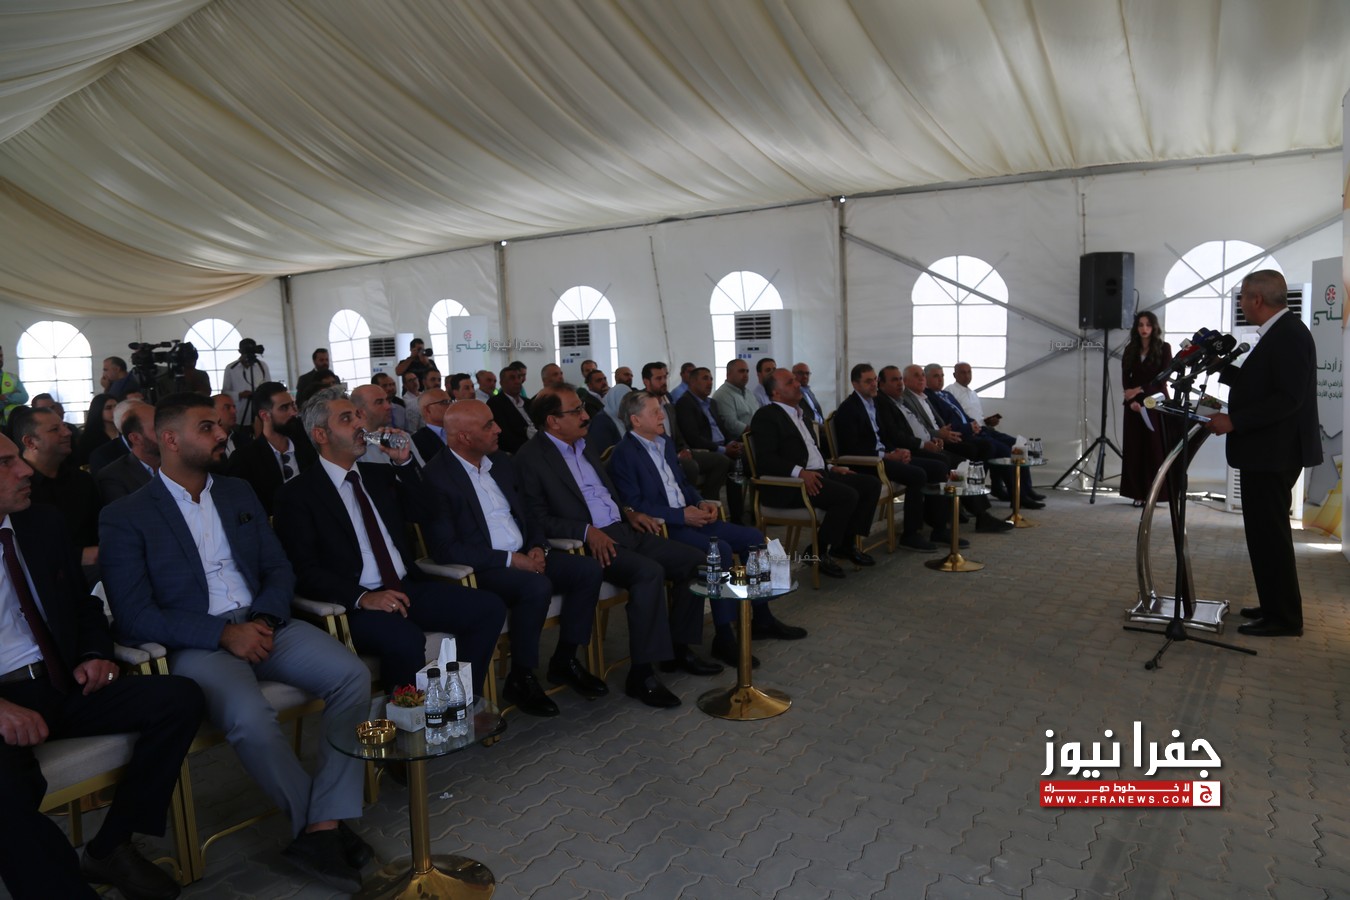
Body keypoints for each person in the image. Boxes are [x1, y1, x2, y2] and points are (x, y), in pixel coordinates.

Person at [99, 393, 374, 893]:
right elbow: (135, 615)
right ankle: (317, 826)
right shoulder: (127, 514)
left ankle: (323, 822)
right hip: (198, 642)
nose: (223, 432)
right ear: (170, 439)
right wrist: (223, 634)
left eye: (219, 425)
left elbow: (277, 567)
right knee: (250, 717)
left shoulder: (237, 491)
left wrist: (264, 618)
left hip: (264, 622)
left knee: (352, 676)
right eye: (207, 427)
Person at [0, 431, 203, 900]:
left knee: (180, 698)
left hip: (59, 681)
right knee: (7, 800)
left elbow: (83, 605)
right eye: (6, 463)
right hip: (4, 702)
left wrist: (95, 654)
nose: (25, 470)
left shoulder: (40, 523)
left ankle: (111, 845)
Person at [274, 388, 506, 694]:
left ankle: (459, 700)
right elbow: (304, 571)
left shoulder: (378, 475)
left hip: (405, 586)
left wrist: (404, 463)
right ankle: (406, 719)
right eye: (347, 419)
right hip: (356, 604)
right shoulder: (298, 494)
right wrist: (361, 597)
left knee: (489, 608)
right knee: (405, 639)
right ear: (320, 434)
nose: (360, 424)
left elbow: (427, 511)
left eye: (358, 416)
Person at [514, 384, 714, 708]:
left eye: (583, 407)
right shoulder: (531, 458)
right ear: (553, 421)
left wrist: (630, 512)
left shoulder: (585, 444)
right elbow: (536, 518)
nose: (585, 415)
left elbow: (606, 493)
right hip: (589, 543)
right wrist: (585, 531)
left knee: (696, 561)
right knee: (649, 573)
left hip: (622, 528)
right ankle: (642, 675)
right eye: (576, 411)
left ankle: (678, 648)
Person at [420, 400, 605, 716]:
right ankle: (522, 676)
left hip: (525, 554)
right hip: (484, 567)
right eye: (488, 425)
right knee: (535, 587)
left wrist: (536, 546)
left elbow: (528, 513)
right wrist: (510, 560)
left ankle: (565, 659)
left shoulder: (501, 462)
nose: (498, 429)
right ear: (464, 437)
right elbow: (446, 549)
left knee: (587, 570)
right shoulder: (437, 477)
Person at [609, 390, 805, 668]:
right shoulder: (624, 454)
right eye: (655, 412)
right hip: (666, 528)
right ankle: (724, 637)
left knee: (755, 538)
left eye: (660, 410)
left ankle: (762, 617)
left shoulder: (664, 443)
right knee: (719, 551)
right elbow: (634, 505)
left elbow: (682, 484)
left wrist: (701, 502)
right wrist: (681, 516)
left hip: (691, 516)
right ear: (635, 420)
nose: (662, 415)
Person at [1205, 270, 1321, 638]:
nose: (1240, 303)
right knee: (1262, 534)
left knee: (1271, 535)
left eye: (1242, 296)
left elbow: (1288, 398)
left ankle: (1284, 618)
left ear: (1257, 299)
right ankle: (1273, 604)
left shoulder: (1289, 335)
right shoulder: (1277, 332)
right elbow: (1264, 383)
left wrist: (1235, 421)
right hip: (1266, 451)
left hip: (1275, 453)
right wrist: (1224, 372)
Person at [749, 369, 881, 578]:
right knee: (847, 496)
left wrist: (830, 467)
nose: (797, 384)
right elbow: (766, 460)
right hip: (790, 484)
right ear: (775, 393)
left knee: (870, 484)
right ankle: (818, 551)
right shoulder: (767, 416)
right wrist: (800, 473)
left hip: (817, 475)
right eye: (790, 382)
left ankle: (844, 545)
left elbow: (811, 452)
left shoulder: (800, 413)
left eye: (795, 380)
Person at [833, 364, 945, 552]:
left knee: (938, 467)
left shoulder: (874, 403)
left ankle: (939, 527)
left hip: (884, 456)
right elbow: (851, 449)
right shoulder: (848, 409)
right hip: (866, 463)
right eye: (868, 381)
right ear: (855, 384)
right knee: (917, 475)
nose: (873, 384)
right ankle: (910, 534)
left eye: (874, 380)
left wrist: (899, 451)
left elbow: (885, 437)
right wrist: (888, 455)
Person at [226, 382, 316, 515]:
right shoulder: (244, 459)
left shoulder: (309, 449)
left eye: (292, 405)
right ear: (264, 415)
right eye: (284, 408)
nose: (293, 412)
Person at [1120, 311, 1173, 505]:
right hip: (1133, 404)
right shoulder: (1130, 349)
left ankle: (1155, 494)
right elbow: (1126, 378)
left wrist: (1139, 390)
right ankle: (1137, 494)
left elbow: (1163, 378)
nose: (1144, 329)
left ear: (1154, 327)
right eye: (1141, 325)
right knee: (1134, 449)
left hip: (1155, 402)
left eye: (1148, 325)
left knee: (1154, 449)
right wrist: (1130, 399)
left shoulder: (1164, 348)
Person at [94, 399, 159, 504]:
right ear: (135, 438)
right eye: (157, 428)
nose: (167, 434)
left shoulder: (179, 463)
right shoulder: (114, 476)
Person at [220, 338, 270, 427]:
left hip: (260, 411)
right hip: (240, 414)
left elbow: (269, 387)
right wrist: (239, 395)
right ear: (239, 351)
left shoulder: (262, 366)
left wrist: (259, 393)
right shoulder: (231, 368)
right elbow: (225, 392)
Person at [487, 364, 534, 454]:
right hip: (517, 452)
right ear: (502, 383)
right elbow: (504, 435)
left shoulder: (528, 402)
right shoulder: (495, 403)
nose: (517, 381)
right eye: (512, 378)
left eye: (519, 377)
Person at [712, 359, 757, 442]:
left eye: (747, 371)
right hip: (739, 442)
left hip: (755, 437)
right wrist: (758, 431)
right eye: (741, 371)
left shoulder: (749, 392)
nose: (745, 375)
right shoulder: (723, 394)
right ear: (729, 374)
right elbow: (731, 424)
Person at [74, 393, 119, 468]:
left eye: (117, 406)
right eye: (108, 408)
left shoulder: (126, 432)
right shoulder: (89, 439)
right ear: (98, 410)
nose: (114, 410)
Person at [413, 388, 451, 461]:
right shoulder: (418, 441)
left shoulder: (460, 430)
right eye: (444, 402)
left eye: (450, 401)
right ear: (428, 410)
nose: (451, 405)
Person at [0, 345, 28, 426]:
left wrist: (5, 398)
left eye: (1, 356)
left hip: (12, 424)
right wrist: (11, 394)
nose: (0, 359)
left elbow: (23, 397)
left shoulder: (12, 377)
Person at [792, 362, 826, 427]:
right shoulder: (793, 393)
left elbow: (817, 413)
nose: (805, 376)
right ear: (792, 375)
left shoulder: (808, 391)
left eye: (807, 373)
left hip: (821, 426)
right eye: (800, 373)